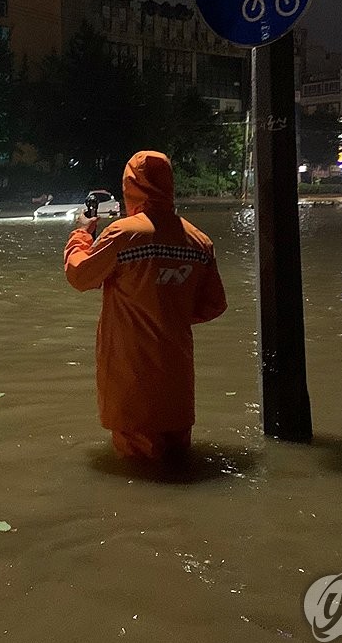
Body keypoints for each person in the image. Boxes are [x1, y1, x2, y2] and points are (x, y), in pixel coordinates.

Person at [63, 151, 228, 460]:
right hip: (177, 382)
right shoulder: (199, 241)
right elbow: (214, 305)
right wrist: (167, 308)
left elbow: (79, 274)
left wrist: (82, 232)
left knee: (139, 472)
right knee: (179, 461)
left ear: (130, 186)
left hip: (132, 378)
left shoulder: (124, 234)